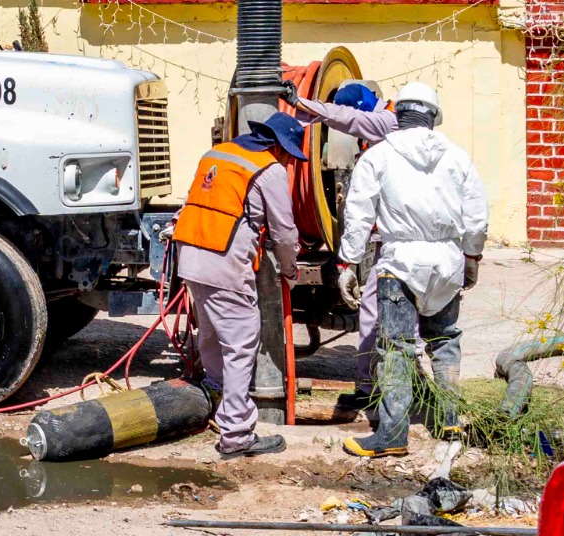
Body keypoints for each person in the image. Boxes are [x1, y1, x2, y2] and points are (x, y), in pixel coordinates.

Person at [337, 82, 488, 458]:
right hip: (448, 260)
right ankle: (449, 418)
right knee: (444, 340)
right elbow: (476, 218)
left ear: (398, 114)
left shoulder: (378, 156)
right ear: (433, 116)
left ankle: (392, 434)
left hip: (400, 262)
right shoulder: (458, 157)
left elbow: (358, 214)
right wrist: (471, 259)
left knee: (396, 349)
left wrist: (349, 262)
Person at [173, 111, 308, 460]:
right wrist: (291, 269)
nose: (288, 161)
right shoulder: (269, 170)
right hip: (224, 264)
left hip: (190, 257)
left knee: (211, 334)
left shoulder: (217, 154)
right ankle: (235, 433)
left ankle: (216, 394)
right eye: (289, 154)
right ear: (279, 147)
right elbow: (283, 230)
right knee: (241, 342)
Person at [292, 81, 399, 413]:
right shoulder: (399, 131)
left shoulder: (387, 123)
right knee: (383, 314)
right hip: (403, 242)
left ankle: (382, 392)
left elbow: (346, 120)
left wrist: (301, 103)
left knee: (388, 315)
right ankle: (376, 388)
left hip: (398, 245)